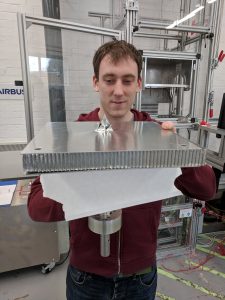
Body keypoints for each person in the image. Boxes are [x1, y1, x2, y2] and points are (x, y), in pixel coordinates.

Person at [27, 40, 216, 300]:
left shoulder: (156, 135)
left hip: (139, 278)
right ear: (96, 82)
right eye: (109, 80)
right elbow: (36, 205)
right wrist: (90, 197)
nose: (118, 91)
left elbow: (206, 188)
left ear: (139, 83)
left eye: (127, 81)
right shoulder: (72, 136)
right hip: (87, 278)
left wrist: (175, 150)